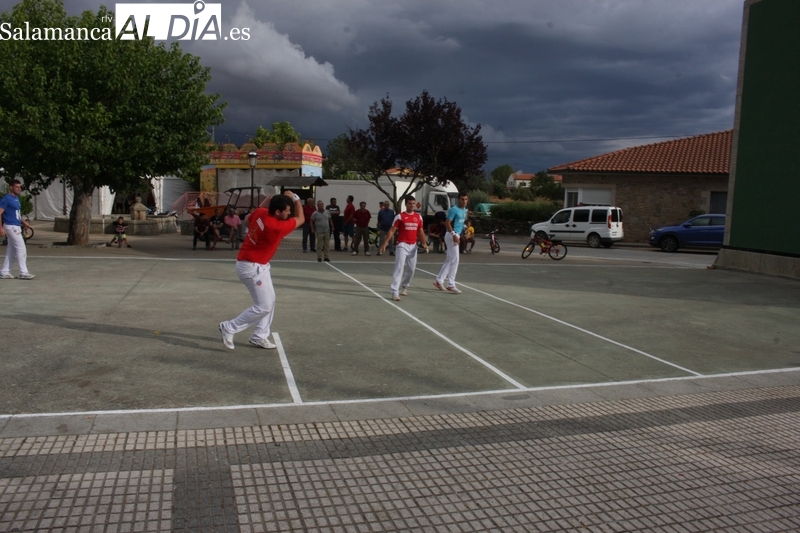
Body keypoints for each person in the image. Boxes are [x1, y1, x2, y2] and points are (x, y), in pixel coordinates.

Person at [219, 191, 304, 350]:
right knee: (264, 306)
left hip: (256, 265)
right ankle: (229, 327)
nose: (289, 213)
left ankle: (260, 335)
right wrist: (296, 198)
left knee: (270, 301)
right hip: (252, 268)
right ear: (277, 212)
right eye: (287, 211)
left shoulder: (261, 211)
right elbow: (301, 218)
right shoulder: (276, 227)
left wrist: (257, 233)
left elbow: (247, 221)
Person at [379, 196, 428, 301]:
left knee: (411, 269)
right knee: (399, 268)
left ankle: (405, 286)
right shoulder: (399, 217)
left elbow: (420, 231)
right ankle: (394, 291)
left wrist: (424, 243)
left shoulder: (418, 217)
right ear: (405, 204)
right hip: (402, 245)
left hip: (413, 246)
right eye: (409, 203)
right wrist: (384, 243)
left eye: (413, 203)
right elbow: (392, 230)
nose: (412, 205)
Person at [433, 191, 469, 294]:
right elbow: (447, 223)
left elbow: (459, 223)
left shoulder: (464, 210)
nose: (464, 201)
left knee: (450, 259)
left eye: (466, 199)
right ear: (458, 199)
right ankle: (451, 284)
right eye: (462, 199)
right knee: (455, 260)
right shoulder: (454, 209)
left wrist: (463, 231)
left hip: (456, 234)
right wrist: (454, 235)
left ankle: (439, 281)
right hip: (451, 235)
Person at [0, 179, 34, 280]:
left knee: (11, 250)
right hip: (11, 226)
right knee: (21, 248)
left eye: (20, 187)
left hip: (16, 225)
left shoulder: (16, 199)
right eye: (17, 187)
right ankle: (23, 272)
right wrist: (0, 228)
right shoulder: (6, 199)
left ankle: (4, 271)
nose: (19, 189)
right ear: (11, 187)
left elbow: (17, 214)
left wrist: (24, 222)